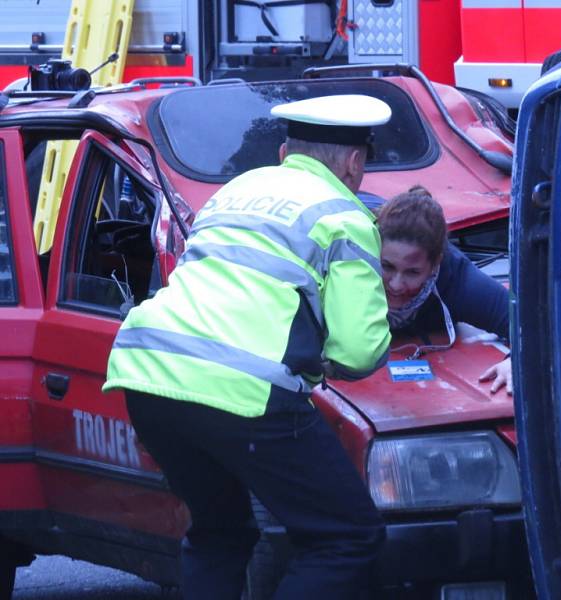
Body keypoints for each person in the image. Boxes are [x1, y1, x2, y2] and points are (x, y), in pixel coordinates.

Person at [103, 94, 393, 600]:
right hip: (243, 391)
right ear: (354, 161)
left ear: (284, 153)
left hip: (149, 372)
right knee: (345, 536)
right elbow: (358, 351)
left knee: (220, 531)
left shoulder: (238, 189)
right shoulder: (346, 218)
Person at [373, 186, 513, 394]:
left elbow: (528, 324)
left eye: (412, 273)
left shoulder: (458, 280)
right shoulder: (349, 259)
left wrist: (516, 362)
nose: (396, 284)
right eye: (387, 266)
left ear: (435, 264)